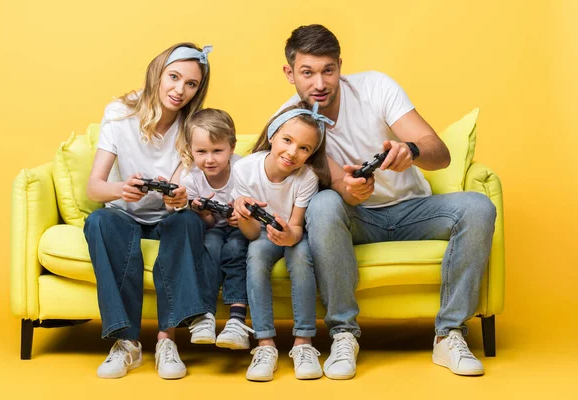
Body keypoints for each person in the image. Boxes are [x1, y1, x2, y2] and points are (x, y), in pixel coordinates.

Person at [278, 24, 496, 379]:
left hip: (412, 210)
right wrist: (351, 190)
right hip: (356, 218)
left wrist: (410, 150)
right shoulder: (291, 121)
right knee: (323, 205)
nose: (319, 83)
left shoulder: (375, 87)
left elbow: (439, 155)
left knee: (478, 206)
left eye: (328, 70)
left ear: (339, 66)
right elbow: (336, 184)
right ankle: (344, 334)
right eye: (308, 72)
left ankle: (449, 334)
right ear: (290, 74)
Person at [83, 43, 216, 380]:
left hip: (166, 218)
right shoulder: (119, 113)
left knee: (187, 221)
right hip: (122, 214)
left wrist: (178, 198)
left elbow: (182, 187)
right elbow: (94, 187)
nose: (180, 90)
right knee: (98, 220)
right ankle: (126, 343)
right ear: (158, 72)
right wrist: (120, 188)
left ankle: (166, 341)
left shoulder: (193, 126)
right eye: (174, 77)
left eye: (191, 84)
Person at [232, 101, 332, 382]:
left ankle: (304, 343)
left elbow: (298, 227)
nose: (292, 153)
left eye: (304, 148)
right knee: (255, 256)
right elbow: (251, 234)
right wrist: (243, 213)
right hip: (261, 233)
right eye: (287, 140)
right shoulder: (245, 170)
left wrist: (290, 236)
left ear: (311, 154)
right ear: (273, 135)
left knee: (301, 257)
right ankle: (265, 345)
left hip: (293, 233)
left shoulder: (307, 177)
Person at [178, 108, 254, 349]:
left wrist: (241, 218)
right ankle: (205, 315)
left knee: (236, 247)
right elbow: (205, 224)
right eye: (201, 151)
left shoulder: (243, 169)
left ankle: (237, 319)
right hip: (212, 229)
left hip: (241, 230)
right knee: (210, 245)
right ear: (191, 149)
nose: (209, 159)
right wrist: (204, 214)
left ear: (232, 148)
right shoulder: (190, 178)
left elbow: (258, 207)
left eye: (217, 151)